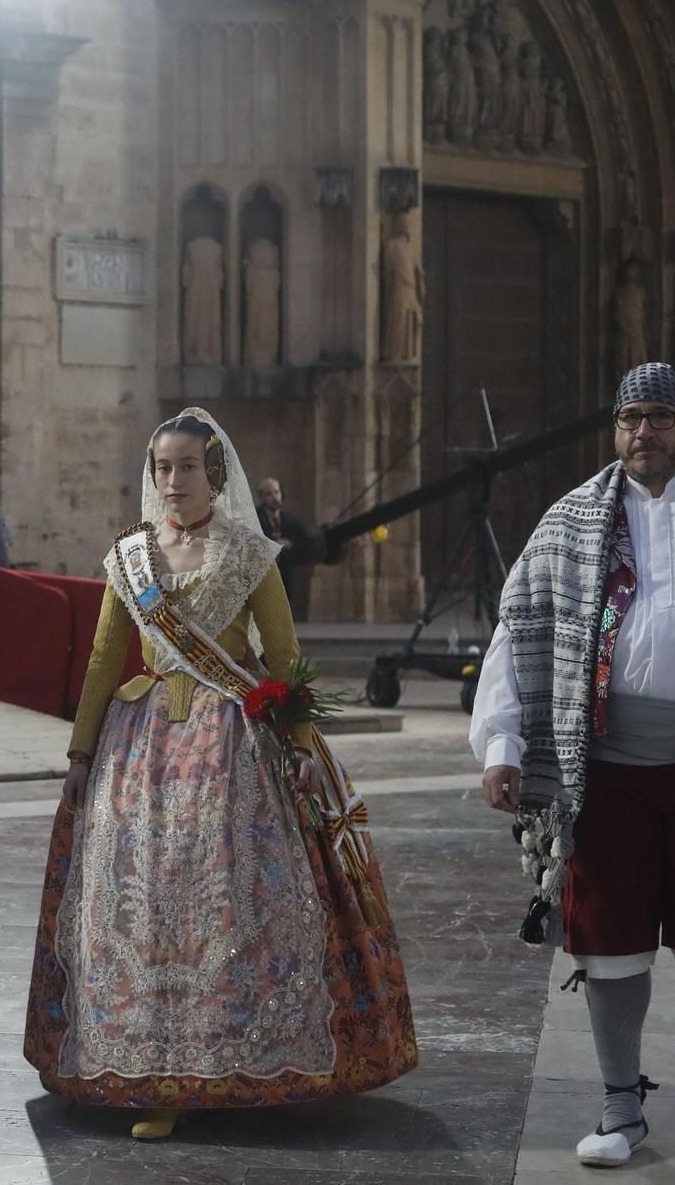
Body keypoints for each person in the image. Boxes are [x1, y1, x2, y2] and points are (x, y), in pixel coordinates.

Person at [24, 408, 416, 1138]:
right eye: (162, 468)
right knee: (141, 907)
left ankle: (228, 1060)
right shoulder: (129, 557)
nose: (173, 481)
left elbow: (283, 653)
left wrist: (299, 745)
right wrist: (80, 756)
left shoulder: (249, 554)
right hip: (138, 749)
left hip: (228, 743)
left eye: (187, 467)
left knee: (219, 904)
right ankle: (149, 1069)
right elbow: (107, 660)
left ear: (217, 475)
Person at [472, 362, 675, 1169]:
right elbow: (518, 629)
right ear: (616, 428)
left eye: (660, 418)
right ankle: (618, 1104)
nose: (644, 432)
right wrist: (502, 744)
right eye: (630, 418)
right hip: (601, 768)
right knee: (607, 940)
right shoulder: (571, 520)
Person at [256, 476, 322, 612]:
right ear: (262, 497)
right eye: (269, 494)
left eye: (276, 492)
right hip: (262, 575)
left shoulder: (289, 520)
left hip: (285, 573)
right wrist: (273, 543)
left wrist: (291, 544)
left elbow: (305, 538)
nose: (274, 497)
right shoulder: (256, 518)